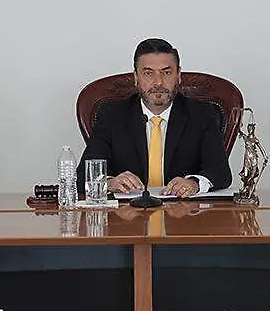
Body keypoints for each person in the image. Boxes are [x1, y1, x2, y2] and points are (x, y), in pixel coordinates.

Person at [78, 38, 231, 198]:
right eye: (148, 73)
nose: (158, 82)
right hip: (128, 210)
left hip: (183, 209)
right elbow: (83, 174)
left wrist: (194, 183)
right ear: (136, 77)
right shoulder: (112, 115)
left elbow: (221, 172)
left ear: (178, 75)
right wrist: (109, 183)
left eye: (166, 72)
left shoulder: (202, 114)